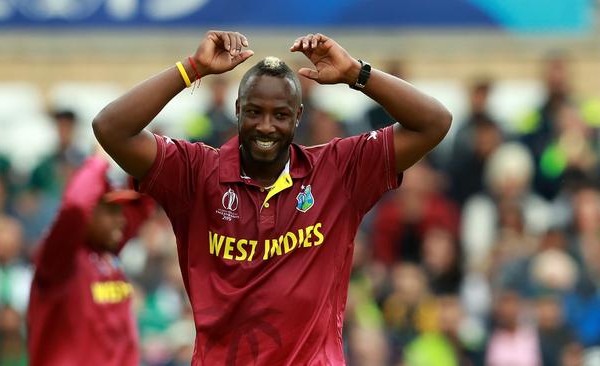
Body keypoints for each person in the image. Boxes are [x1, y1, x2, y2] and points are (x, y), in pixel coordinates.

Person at [93, 30, 452, 365]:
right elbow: (110, 128)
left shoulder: (338, 171)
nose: (266, 126)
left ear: (297, 116)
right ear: (237, 111)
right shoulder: (196, 173)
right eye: (254, 112)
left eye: (280, 115)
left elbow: (434, 122)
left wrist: (355, 73)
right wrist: (193, 68)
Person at [26, 145, 153, 366]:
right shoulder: (58, 260)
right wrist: (97, 162)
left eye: (120, 212)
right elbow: (75, 206)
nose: (121, 220)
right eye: (111, 212)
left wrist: (133, 153)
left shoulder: (108, 254)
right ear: (89, 211)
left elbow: (143, 205)